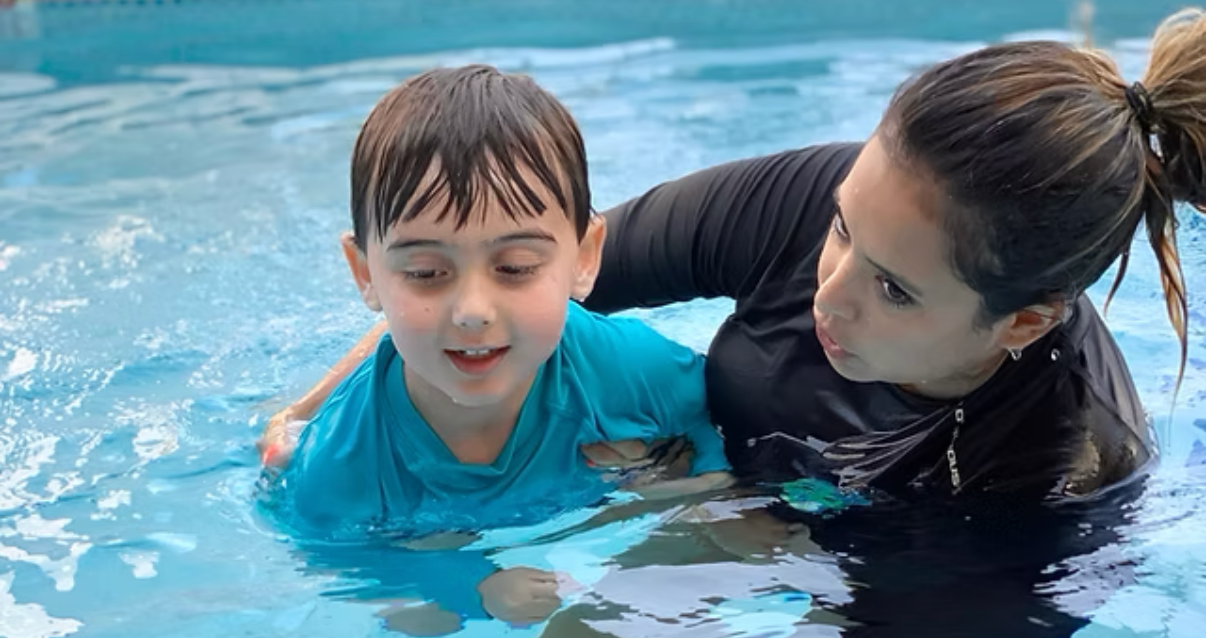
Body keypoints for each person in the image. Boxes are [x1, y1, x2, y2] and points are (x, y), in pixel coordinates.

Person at [263, 9, 1206, 502]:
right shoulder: (803, 196)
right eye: (843, 228)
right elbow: (509, 274)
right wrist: (311, 409)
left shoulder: (1058, 466)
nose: (825, 296)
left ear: (1026, 321)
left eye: (891, 289)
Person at [267, 65, 730, 543]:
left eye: (515, 267)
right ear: (365, 273)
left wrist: (673, 486)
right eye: (426, 274)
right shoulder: (336, 472)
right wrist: (471, 582)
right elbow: (347, 567)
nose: (473, 310)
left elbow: (718, 440)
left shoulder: (633, 372)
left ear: (585, 258)